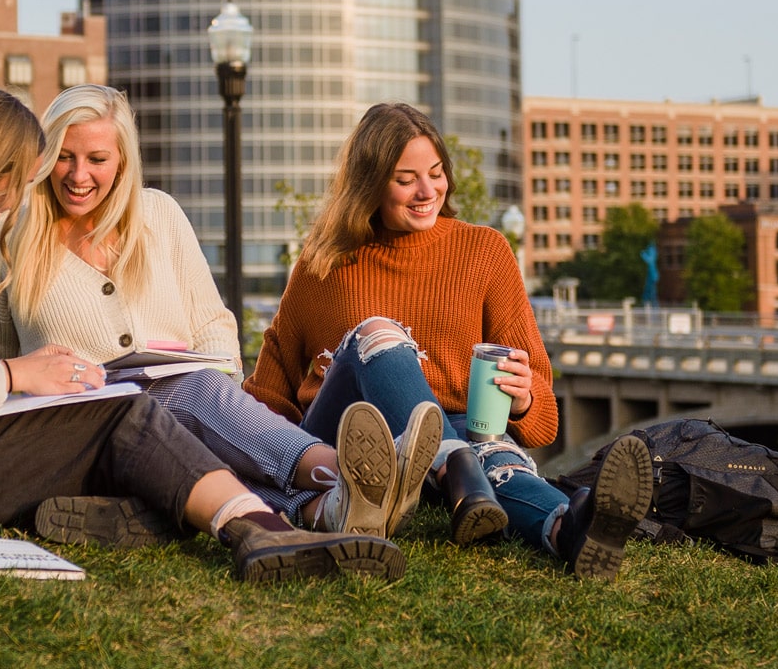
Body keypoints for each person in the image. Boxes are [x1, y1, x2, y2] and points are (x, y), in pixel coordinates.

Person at [0, 86, 403, 582]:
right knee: (122, 414)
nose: (16, 197)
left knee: (157, 408)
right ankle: (267, 529)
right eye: (25, 174)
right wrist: (15, 375)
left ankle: (269, 518)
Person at [0, 84, 441, 539]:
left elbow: (213, 325)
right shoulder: (6, 239)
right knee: (189, 394)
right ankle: (349, 472)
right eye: (64, 157)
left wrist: (226, 409)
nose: (78, 174)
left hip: (189, 413)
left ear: (123, 162)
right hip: (83, 429)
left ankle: (328, 510)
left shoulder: (159, 216)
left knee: (199, 400)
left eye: (96, 159)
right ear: (45, 157)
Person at [244, 102, 655, 580]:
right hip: (355, 444)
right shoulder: (323, 264)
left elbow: (543, 418)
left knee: (497, 457)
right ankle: (453, 463)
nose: (427, 191)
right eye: (406, 179)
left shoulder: (485, 252)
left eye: (436, 173)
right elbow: (266, 400)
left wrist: (523, 400)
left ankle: (570, 529)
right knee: (378, 332)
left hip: (463, 435)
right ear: (369, 183)